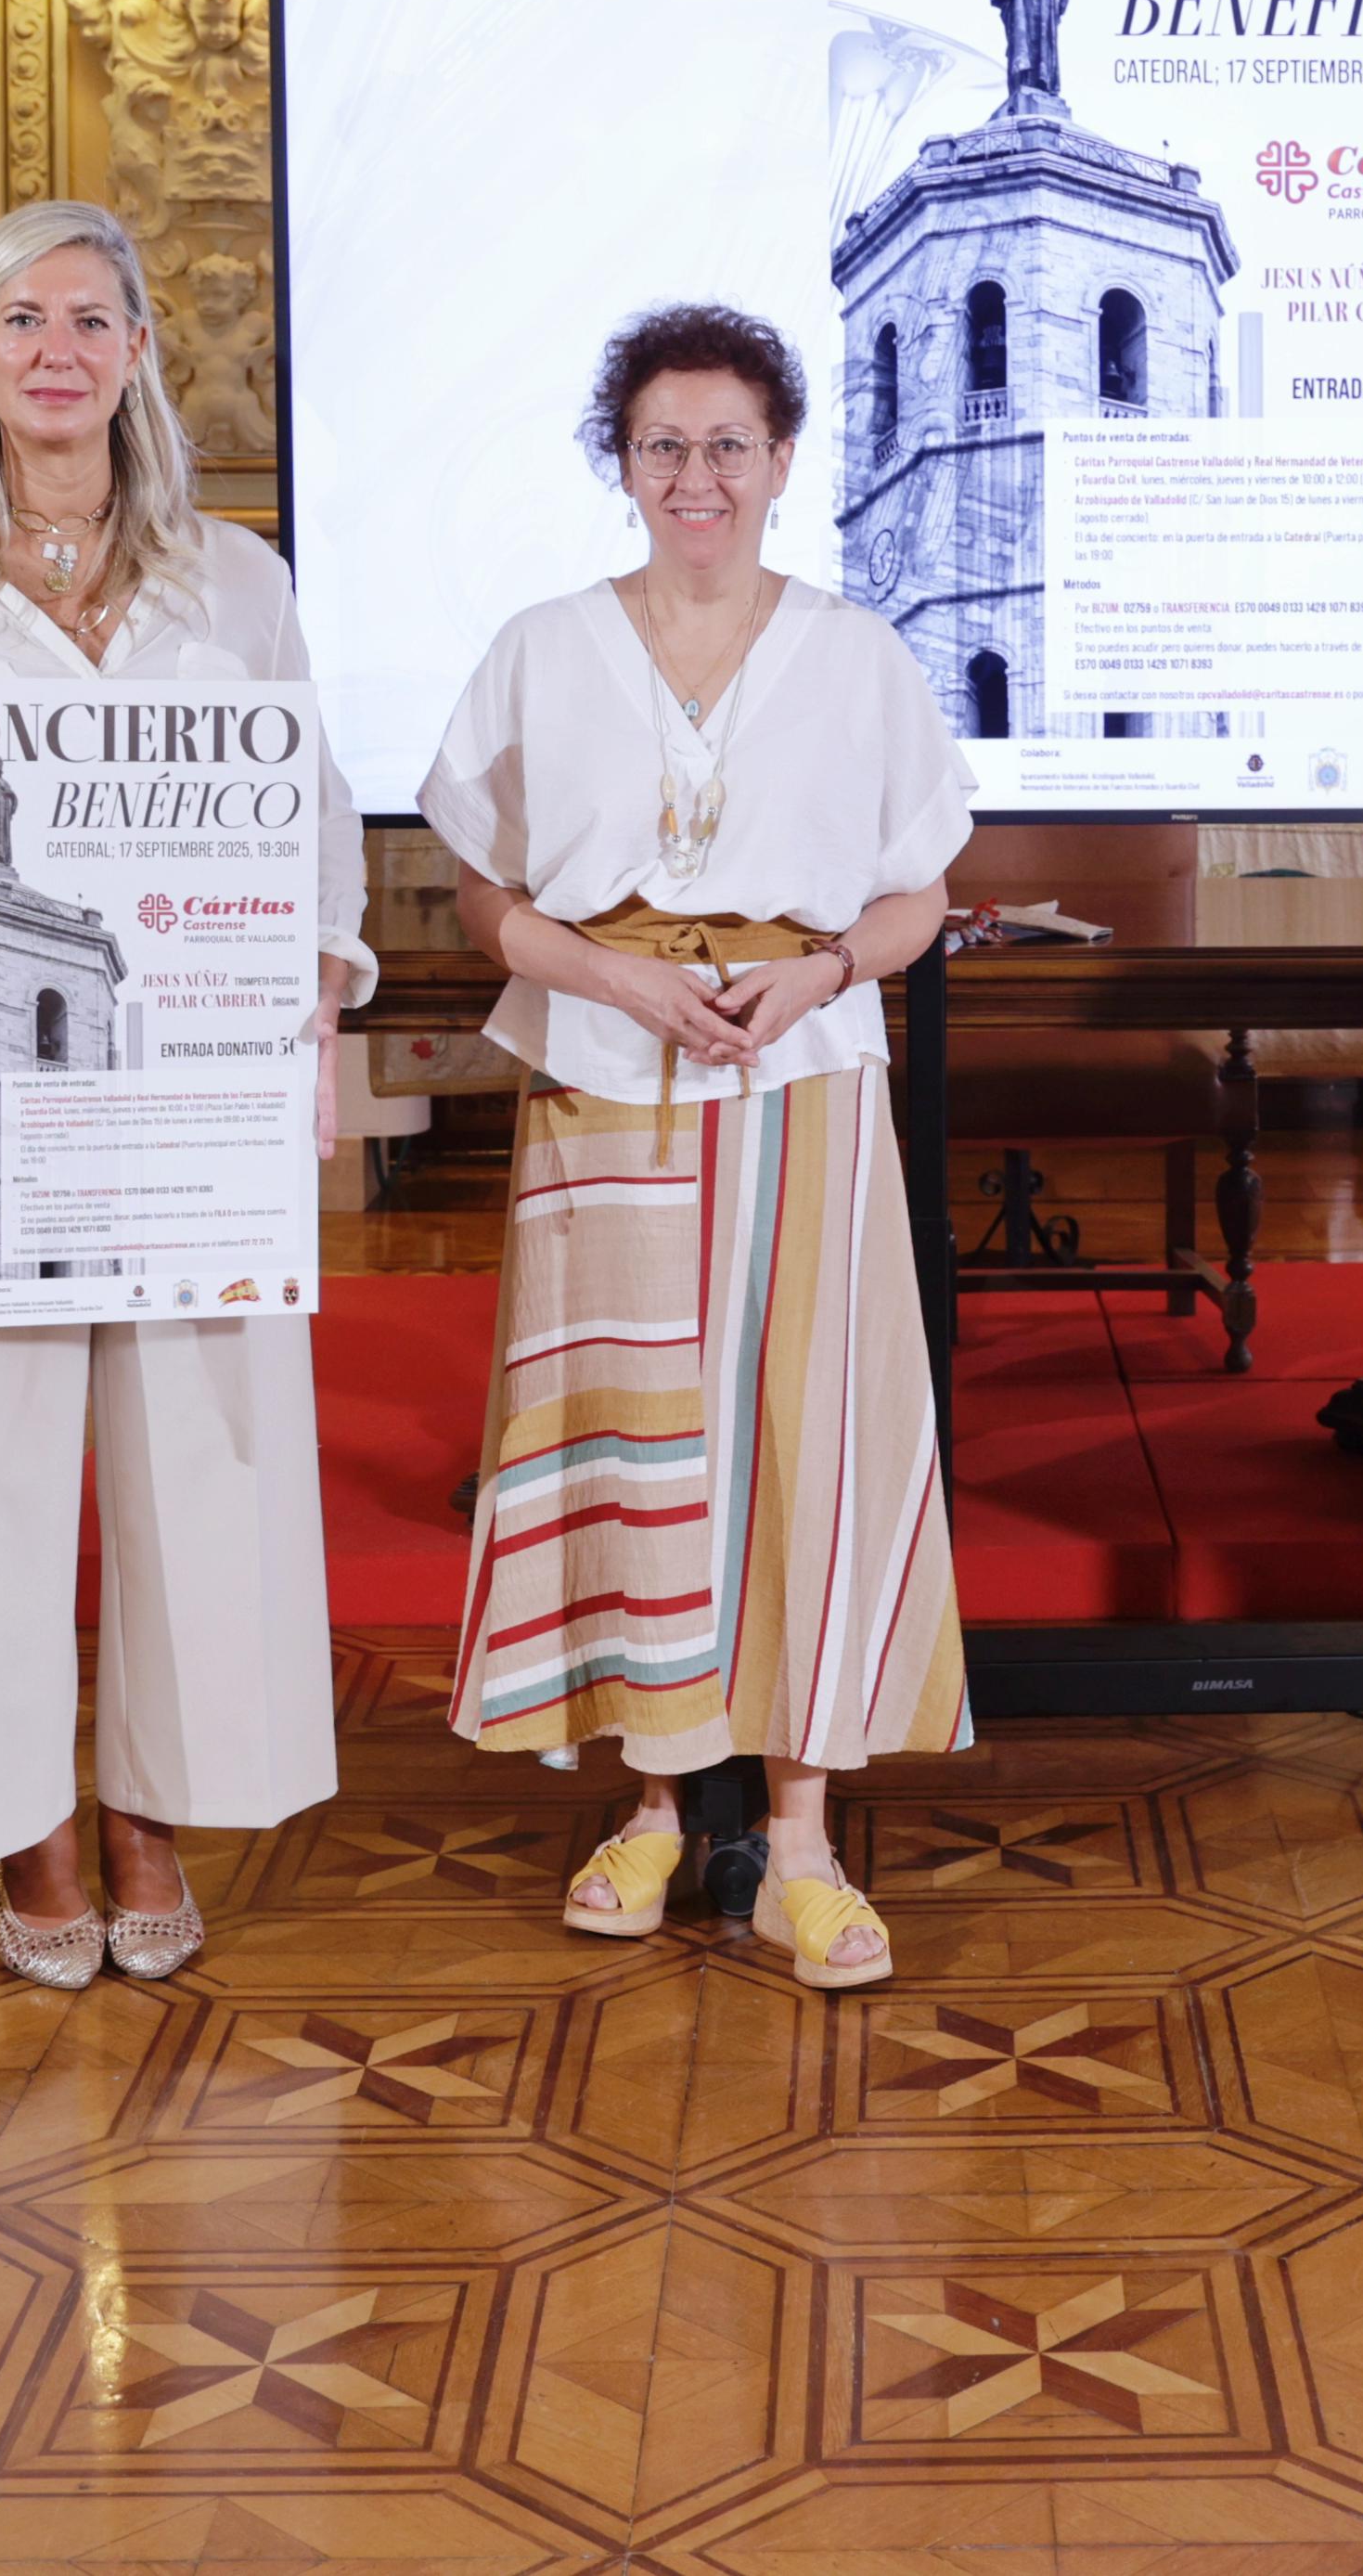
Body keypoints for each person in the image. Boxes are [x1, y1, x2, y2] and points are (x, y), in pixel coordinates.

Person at [0, 201, 371, 1990]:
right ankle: (23, 1820)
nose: (55, 347)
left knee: (204, 1458)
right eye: (18, 316)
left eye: (90, 318)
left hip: (192, 1093)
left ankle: (152, 1810)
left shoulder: (240, 583)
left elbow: (316, 816)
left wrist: (321, 990)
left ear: (136, 356)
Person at [423, 302, 971, 1992]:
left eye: (730, 442)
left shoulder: (858, 653)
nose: (697, 474)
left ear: (783, 459)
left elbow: (920, 892)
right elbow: (483, 891)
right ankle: (655, 1801)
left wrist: (822, 969)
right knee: (633, 1437)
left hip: (808, 1073)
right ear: (623, 459)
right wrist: (613, 977)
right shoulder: (541, 646)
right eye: (663, 442)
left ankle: (801, 1837)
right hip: (605, 1068)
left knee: (812, 1436)